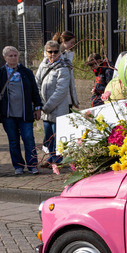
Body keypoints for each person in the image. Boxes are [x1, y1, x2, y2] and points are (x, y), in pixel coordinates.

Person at [0, 46, 43, 175]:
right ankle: (18, 166)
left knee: (29, 139)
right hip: (8, 114)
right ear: (5, 57)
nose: (13, 58)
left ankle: (32, 165)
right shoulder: (0, 73)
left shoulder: (27, 72)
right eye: (10, 56)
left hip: (25, 113)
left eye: (15, 55)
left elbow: (35, 91)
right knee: (13, 141)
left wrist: (37, 107)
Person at [36, 40, 72, 168]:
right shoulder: (43, 65)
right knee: (48, 137)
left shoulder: (63, 68)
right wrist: (39, 102)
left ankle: (58, 160)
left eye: (55, 51)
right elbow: (37, 83)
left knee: (58, 137)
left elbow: (61, 91)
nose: (52, 54)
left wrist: (46, 107)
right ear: (46, 52)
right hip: (45, 109)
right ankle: (51, 158)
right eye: (50, 52)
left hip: (58, 108)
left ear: (59, 52)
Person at [53, 30, 79, 109]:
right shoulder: (53, 55)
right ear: (64, 41)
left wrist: (74, 99)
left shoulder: (67, 55)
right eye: (71, 42)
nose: (73, 45)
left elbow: (71, 80)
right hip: (57, 97)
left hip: (67, 98)